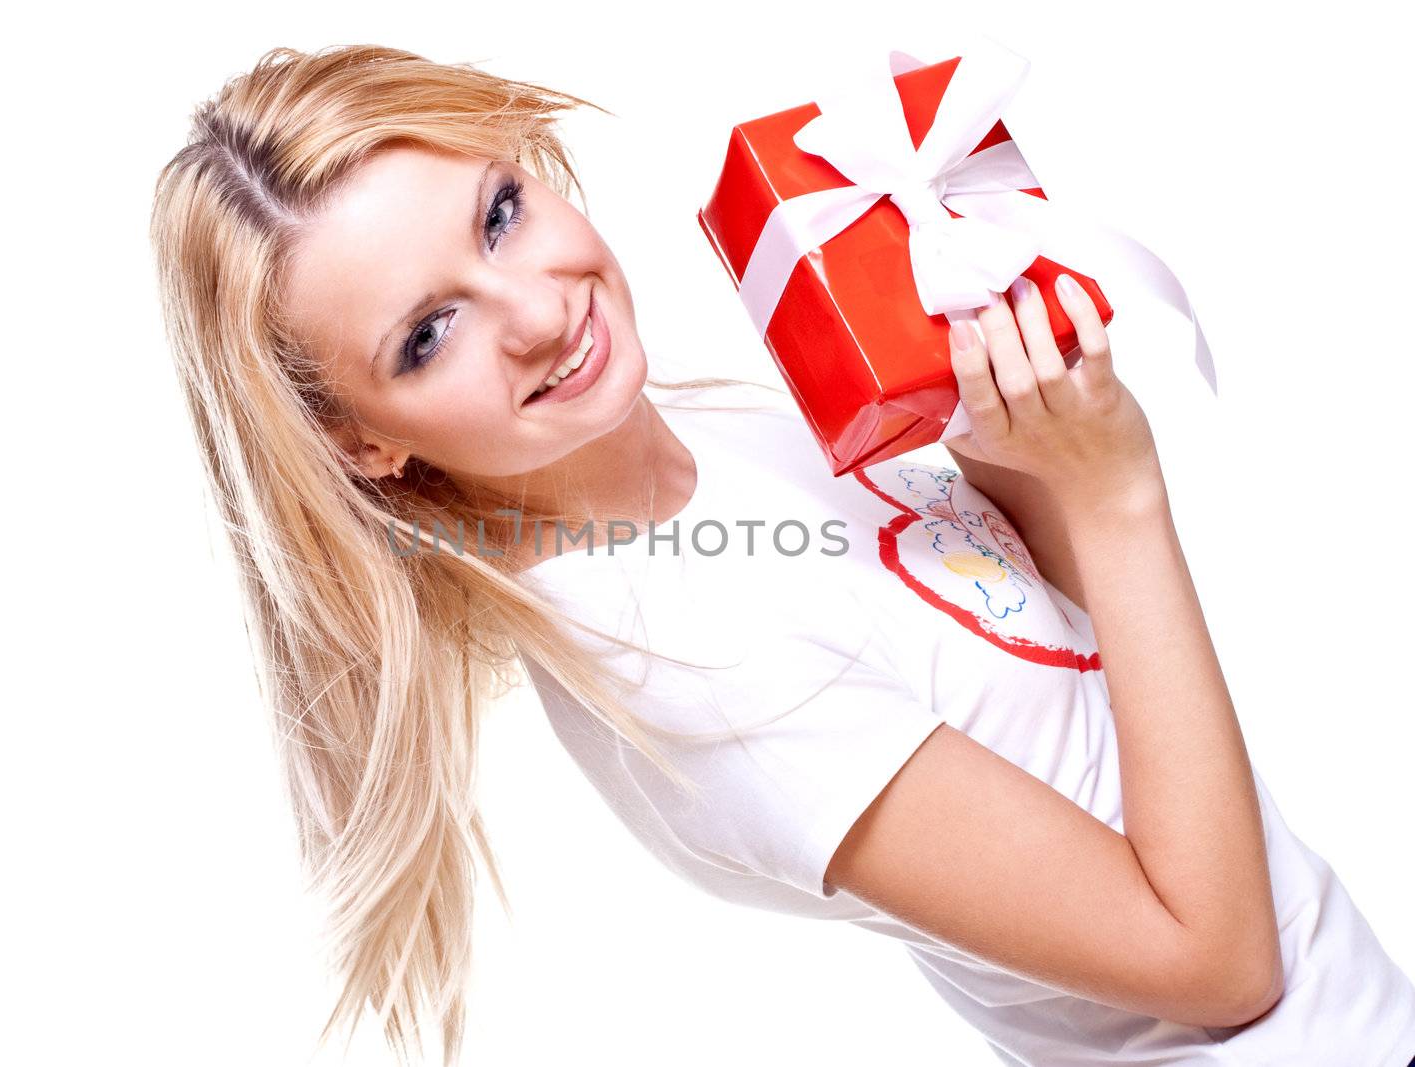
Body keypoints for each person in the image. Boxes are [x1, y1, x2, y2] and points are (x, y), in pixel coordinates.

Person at [148, 43, 1415, 1066]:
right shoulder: (693, 666)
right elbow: (1214, 965)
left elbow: (1048, 654)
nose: (539, 312)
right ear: (361, 443)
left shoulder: (700, 428)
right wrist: (1121, 496)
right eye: (426, 335)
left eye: (499, 211)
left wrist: (1006, 426)